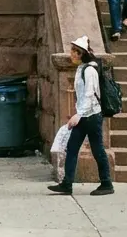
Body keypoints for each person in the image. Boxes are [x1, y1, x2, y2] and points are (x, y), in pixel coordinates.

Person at [48, 36, 114, 197]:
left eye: (73, 52)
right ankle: (67, 184)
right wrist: (77, 113)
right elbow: (83, 95)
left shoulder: (89, 70)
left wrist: (79, 114)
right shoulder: (83, 68)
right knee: (72, 148)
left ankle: (106, 183)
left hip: (91, 116)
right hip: (85, 115)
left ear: (80, 53)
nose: (71, 54)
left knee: (97, 149)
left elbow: (90, 95)